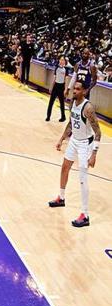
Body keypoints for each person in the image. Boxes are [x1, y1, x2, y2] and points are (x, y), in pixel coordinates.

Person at [48, 81, 101, 227]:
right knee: (64, 167)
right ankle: (61, 198)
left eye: (78, 89)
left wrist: (94, 154)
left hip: (85, 144)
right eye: (74, 88)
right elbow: (71, 124)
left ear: (84, 91)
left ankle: (85, 215)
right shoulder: (72, 103)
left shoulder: (88, 108)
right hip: (74, 140)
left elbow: (98, 132)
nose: (74, 91)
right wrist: (61, 139)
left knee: (82, 178)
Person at [46, 56, 69, 122]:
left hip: (61, 87)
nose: (61, 61)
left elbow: (66, 80)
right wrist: (51, 87)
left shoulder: (66, 69)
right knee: (51, 102)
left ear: (65, 61)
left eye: (63, 60)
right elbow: (54, 78)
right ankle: (48, 116)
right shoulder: (56, 68)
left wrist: (66, 89)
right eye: (60, 60)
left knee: (62, 103)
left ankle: (63, 117)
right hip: (55, 86)